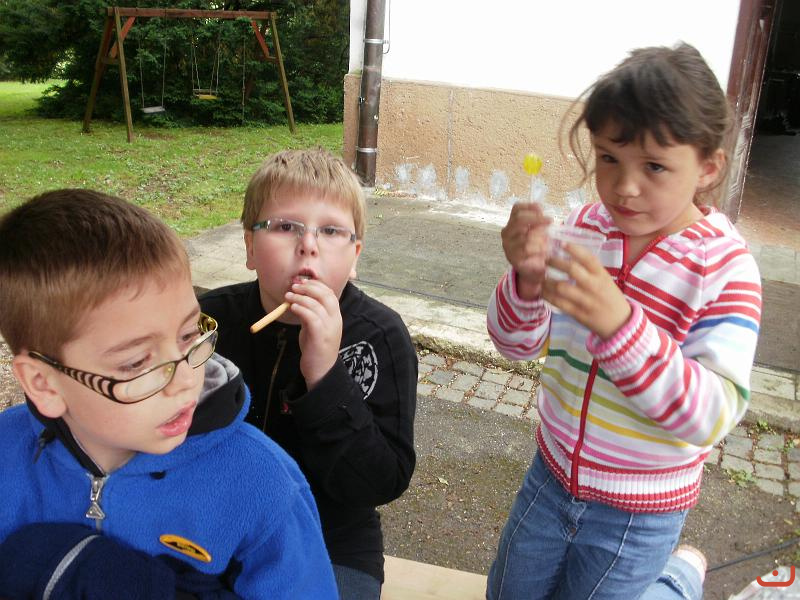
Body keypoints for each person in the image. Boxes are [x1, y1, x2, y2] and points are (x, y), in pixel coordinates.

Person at [485, 43, 762, 599]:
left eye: (654, 166)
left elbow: (711, 415)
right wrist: (526, 280)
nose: (624, 186)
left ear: (708, 167)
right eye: (609, 158)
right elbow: (514, 343)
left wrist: (620, 327)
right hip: (551, 477)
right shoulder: (584, 229)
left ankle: (679, 579)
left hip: (640, 515)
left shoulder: (724, 270)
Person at [0, 189, 337, 599]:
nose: (185, 380)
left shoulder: (262, 483)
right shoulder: (7, 457)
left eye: (189, 335)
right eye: (136, 363)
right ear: (44, 384)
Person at [199, 148, 418, 599]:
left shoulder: (380, 336)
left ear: (355, 257)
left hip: (330, 541)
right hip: (213, 524)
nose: (309, 245)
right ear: (249, 247)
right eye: (285, 227)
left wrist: (324, 376)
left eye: (331, 231)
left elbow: (382, 481)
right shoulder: (207, 322)